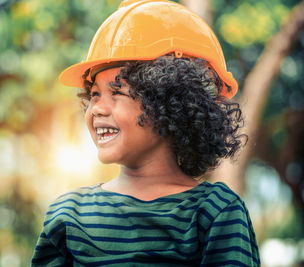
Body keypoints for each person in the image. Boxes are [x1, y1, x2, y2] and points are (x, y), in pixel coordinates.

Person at [31, 0, 260, 266]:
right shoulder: (67, 216)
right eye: (94, 95)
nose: (97, 108)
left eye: (117, 92)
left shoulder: (217, 212)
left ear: (171, 102)